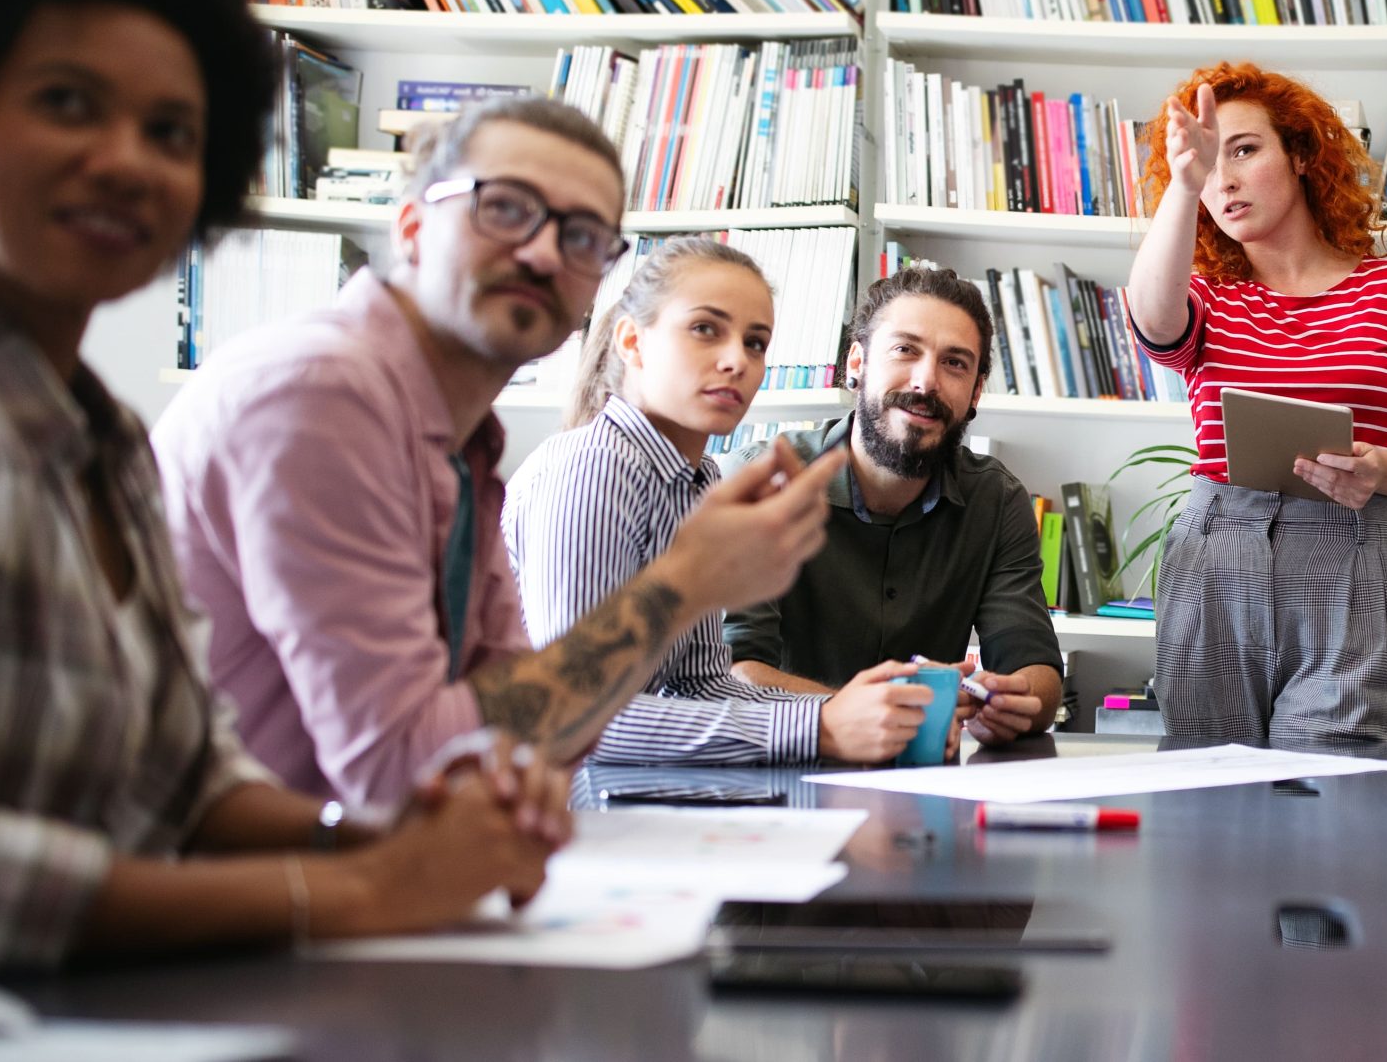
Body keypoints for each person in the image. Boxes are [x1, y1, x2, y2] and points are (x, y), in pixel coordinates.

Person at [0, 0, 561, 969]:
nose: (124, 158)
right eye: (65, 101)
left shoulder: (99, 435)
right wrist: (353, 889)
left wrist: (391, 840)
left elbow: (184, 783)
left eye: (170, 130)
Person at [153, 94, 849, 812]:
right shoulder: (321, 394)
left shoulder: (464, 447)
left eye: (583, 237)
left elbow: (522, 719)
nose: (545, 252)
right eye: (505, 207)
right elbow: (405, 768)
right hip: (234, 889)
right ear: (413, 227)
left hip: (358, 867)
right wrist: (685, 585)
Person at [1123, 64, 1387, 746]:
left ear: (1299, 153)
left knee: (1338, 804)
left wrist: (1383, 469)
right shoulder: (1208, 294)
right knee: (1206, 804)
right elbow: (1151, 323)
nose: (1222, 178)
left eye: (1243, 149)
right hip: (1216, 556)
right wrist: (1183, 183)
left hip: (1350, 555)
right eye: (1207, 159)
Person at [504, 237, 948, 764]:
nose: (737, 360)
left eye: (756, 343)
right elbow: (580, 718)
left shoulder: (698, 479)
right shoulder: (593, 467)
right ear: (632, 342)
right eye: (705, 329)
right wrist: (819, 726)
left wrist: (870, 710)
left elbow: (700, 685)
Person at [724, 266, 1064, 747]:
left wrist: (1015, 701)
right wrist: (852, 715)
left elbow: (1036, 669)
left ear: (976, 393)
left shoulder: (998, 501)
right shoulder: (762, 483)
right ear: (857, 363)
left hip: (923, 790)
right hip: (777, 776)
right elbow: (733, 674)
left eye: (955, 363)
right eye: (905, 350)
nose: (926, 381)